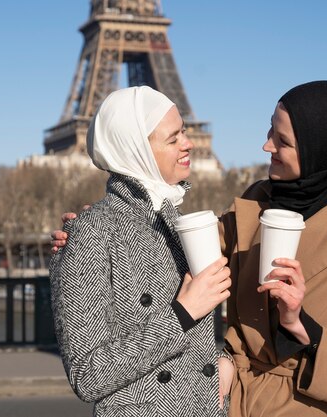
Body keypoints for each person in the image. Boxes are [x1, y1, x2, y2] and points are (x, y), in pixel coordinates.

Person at [52, 80, 327, 417]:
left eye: (283, 141)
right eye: (270, 129)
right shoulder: (255, 202)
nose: (266, 144)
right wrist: (94, 233)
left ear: (322, 149)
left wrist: (301, 325)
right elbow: (174, 253)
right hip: (223, 402)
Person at [49, 85, 232, 417]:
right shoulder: (93, 232)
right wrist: (181, 314)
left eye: (185, 133)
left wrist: (226, 363)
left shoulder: (178, 224)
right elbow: (86, 375)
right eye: (173, 138)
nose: (188, 144)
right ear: (136, 150)